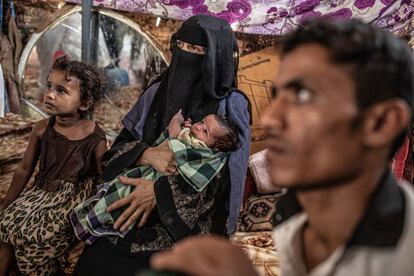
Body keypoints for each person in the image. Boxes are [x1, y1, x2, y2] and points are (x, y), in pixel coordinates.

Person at [150, 18, 414, 276]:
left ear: (381, 123)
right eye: (278, 96)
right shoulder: (295, 225)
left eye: (303, 95)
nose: (271, 119)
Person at [74, 14, 251, 275]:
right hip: (129, 205)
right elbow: (116, 152)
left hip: (185, 225)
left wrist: (158, 193)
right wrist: (146, 154)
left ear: (218, 58)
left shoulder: (231, 106)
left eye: (199, 51)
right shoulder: (157, 91)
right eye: (184, 47)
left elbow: (226, 180)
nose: (188, 56)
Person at [0, 58, 107, 275]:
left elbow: (103, 177)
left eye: (61, 91)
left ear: (84, 103)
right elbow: (24, 169)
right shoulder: (42, 129)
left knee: (35, 236)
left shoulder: (95, 137)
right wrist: (7, 203)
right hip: (40, 192)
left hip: (71, 200)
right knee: (5, 223)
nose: (49, 94)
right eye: (49, 86)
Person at [71, 110, 239, 244]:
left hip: (159, 226)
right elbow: (117, 151)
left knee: (115, 208)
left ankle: (90, 226)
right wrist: (146, 153)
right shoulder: (158, 100)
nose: (198, 127)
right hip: (141, 173)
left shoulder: (205, 157)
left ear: (215, 147)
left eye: (205, 131)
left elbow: (177, 143)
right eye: (201, 122)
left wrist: (175, 124)